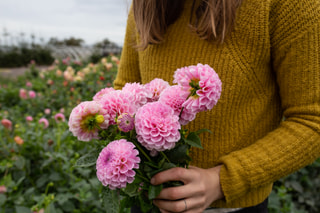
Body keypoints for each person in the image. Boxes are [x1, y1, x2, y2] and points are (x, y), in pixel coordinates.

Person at [113, 0, 320, 212]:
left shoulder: (289, 5)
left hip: (233, 206)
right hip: (147, 200)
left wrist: (222, 180)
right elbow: (125, 91)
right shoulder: (145, 6)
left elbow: (311, 121)